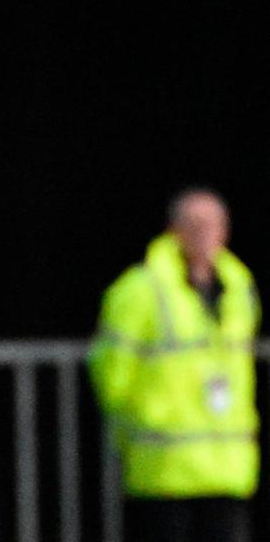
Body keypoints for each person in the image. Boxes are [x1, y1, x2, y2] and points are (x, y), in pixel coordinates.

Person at [88, 189, 260, 542]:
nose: (205, 234)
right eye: (194, 224)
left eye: (213, 225)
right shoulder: (140, 289)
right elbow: (112, 371)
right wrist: (133, 425)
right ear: (173, 230)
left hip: (226, 467)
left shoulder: (239, 288)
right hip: (164, 468)